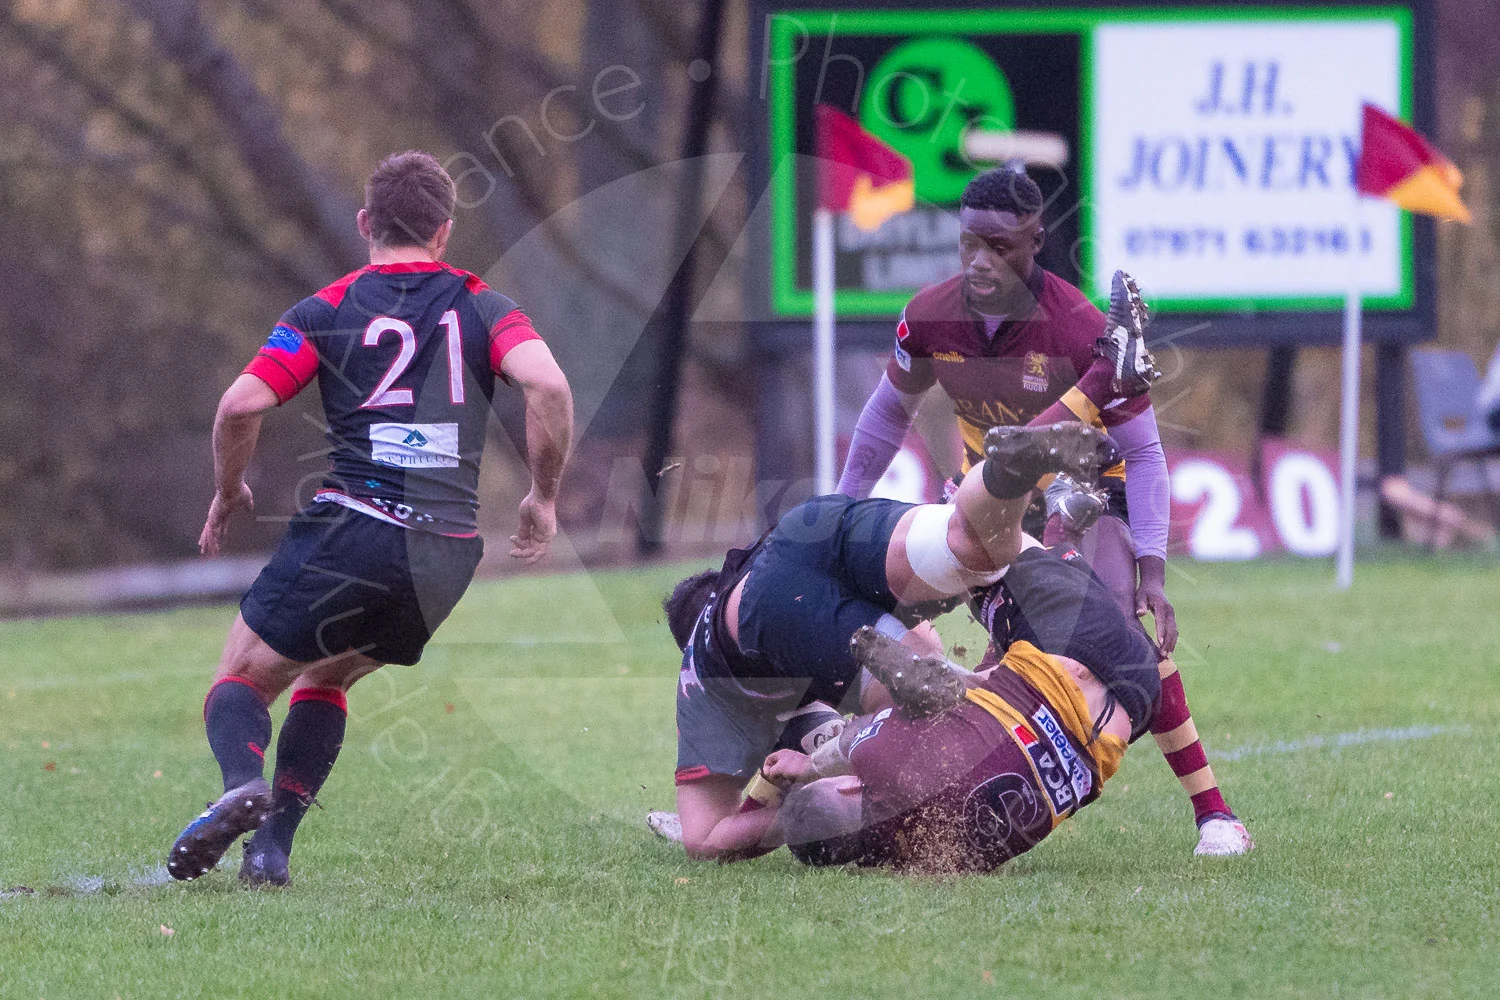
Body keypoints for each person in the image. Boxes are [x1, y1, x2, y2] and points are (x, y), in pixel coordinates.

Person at [167, 151, 574, 886]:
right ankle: (270, 850)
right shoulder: (485, 305)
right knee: (328, 676)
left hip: (355, 526)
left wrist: (228, 489)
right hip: (447, 553)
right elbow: (546, 384)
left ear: (365, 224)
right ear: (444, 232)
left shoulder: (325, 311)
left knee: (243, 678)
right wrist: (542, 496)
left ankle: (238, 785)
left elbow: (240, 405)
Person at [836, 166, 1248, 854]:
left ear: (1036, 241)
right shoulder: (931, 314)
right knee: (1010, 663)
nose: (980, 260)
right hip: (1002, 509)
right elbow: (886, 417)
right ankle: (849, 794)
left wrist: (1153, 569)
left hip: (1098, 489)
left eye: (999, 246)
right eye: (970, 243)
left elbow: (1143, 454)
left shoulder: (1078, 325)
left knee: (1119, 640)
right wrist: (841, 512)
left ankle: (1215, 815)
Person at [666, 422, 1119, 861]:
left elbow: (705, 838)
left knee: (931, 712)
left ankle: (968, 682)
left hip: (779, 607)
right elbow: (920, 642)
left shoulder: (703, 674)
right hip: (812, 525)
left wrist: (804, 814)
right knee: (977, 545)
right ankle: (1010, 469)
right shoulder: (778, 658)